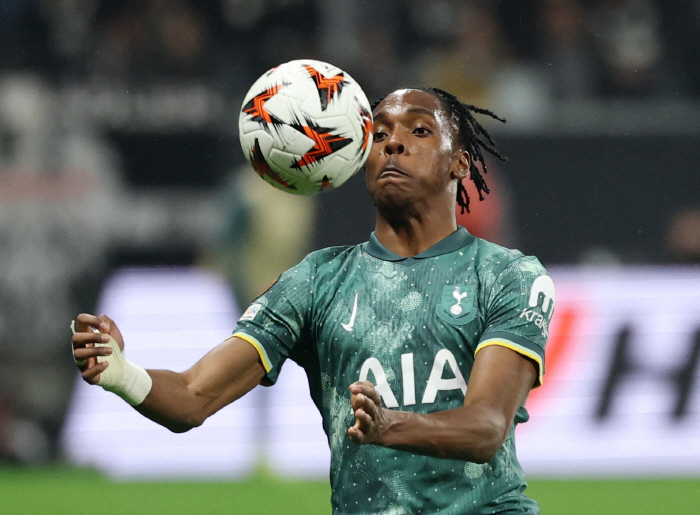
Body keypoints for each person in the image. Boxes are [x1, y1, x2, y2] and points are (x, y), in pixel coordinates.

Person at [72, 87, 555, 514]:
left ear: (460, 163)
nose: (393, 142)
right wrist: (121, 373)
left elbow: (486, 427)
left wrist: (389, 426)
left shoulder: (506, 275)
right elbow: (192, 396)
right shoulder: (317, 282)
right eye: (379, 134)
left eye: (420, 130)